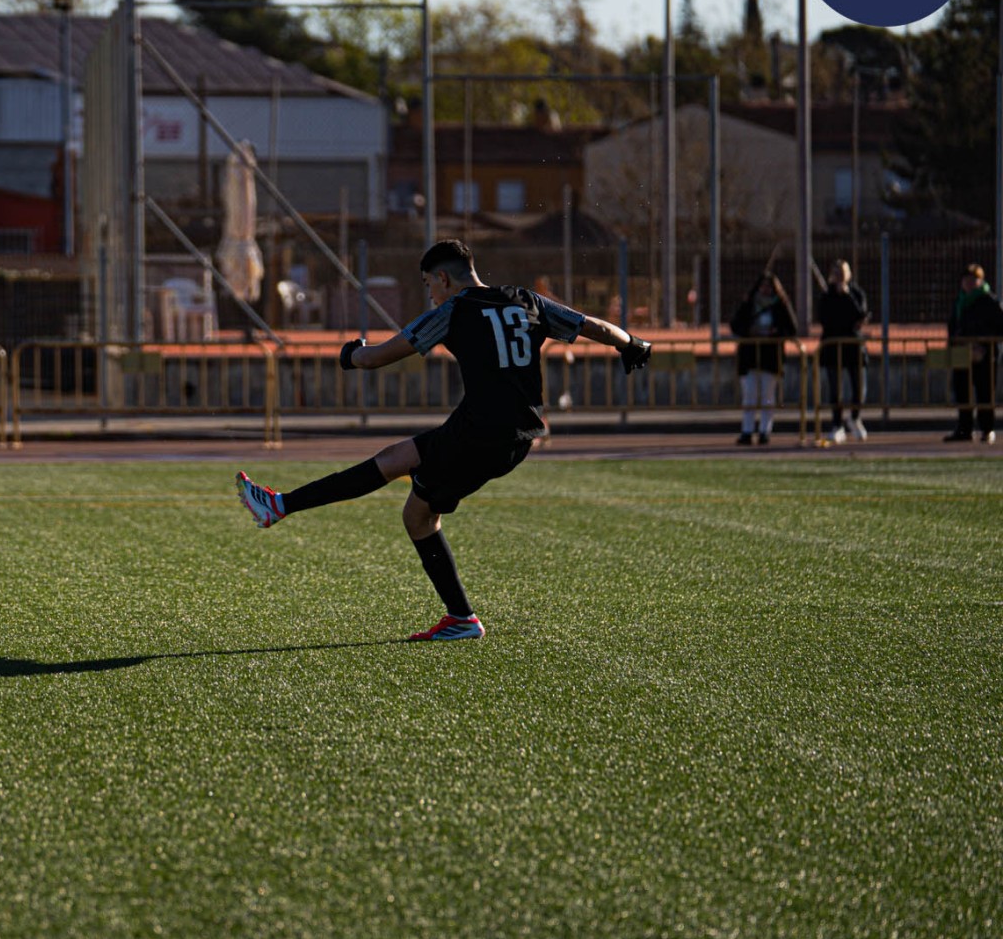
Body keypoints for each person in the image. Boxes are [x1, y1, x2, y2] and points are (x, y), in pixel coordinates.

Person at [235, 240, 651, 641]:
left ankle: (281, 507)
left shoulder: (453, 310)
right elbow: (594, 326)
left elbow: (378, 356)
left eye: (428, 284)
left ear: (443, 278)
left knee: (410, 502)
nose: (430, 294)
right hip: (517, 433)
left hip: (479, 434)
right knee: (404, 482)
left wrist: (350, 354)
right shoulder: (527, 300)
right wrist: (632, 344)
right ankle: (281, 506)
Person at [729, 273, 798, 446]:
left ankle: (764, 431)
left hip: (770, 356)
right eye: (763, 286)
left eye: (769, 286)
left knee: (767, 395)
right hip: (750, 355)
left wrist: (775, 332)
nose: (765, 289)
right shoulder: (750, 303)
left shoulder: (780, 304)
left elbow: (792, 328)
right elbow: (735, 325)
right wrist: (749, 330)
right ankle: (747, 430)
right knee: (749, 394)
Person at [947, 263, 1003, 443]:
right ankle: (964, 429)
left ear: (981, 281)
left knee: (985, 392)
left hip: (984, 355)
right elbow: (953, 326)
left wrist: (982, 344)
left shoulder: (989, 301)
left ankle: (987, 429)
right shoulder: (960, 301)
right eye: (966, 279)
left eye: (973, 279)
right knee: (962, 391)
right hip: (962, 353)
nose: (969, 283)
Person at [817, 259, 870, 443]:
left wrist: (846, 296)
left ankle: (855, 418)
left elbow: (860, 315)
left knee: (859, 388)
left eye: (843, 272)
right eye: (836, 272)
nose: (839, 276)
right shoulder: (827, 295)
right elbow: (825, 318)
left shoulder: (856, 293)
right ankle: (837, 424)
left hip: (854, 346)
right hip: (833, 347)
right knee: (835, 389)